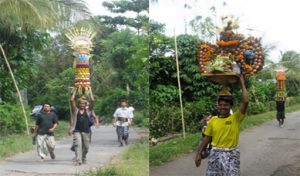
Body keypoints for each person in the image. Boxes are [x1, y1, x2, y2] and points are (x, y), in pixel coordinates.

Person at [195, 75, 248, 176]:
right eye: (220, 105)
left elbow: (245, 101)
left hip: (231, 154)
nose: (222, 107)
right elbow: (207, 139)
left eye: (225, 105)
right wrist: (198, 154)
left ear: (230, 107)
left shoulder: (235, 118)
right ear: (217, 106)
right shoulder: (213, 121)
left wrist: (242, 82)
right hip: (215, 154)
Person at [70, 89, 94, 165]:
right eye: (81, 103)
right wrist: (75, 90)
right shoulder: (75, 110)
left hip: (86, 131)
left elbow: (92, 100)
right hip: (77, 131)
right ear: (78, 104)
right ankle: (78, 160)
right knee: (78, 145)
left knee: (86, 147)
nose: (82, 105)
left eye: (84, 104)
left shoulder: (88, 110)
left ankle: (83, 157)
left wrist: (89, 91)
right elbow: (71, 100)